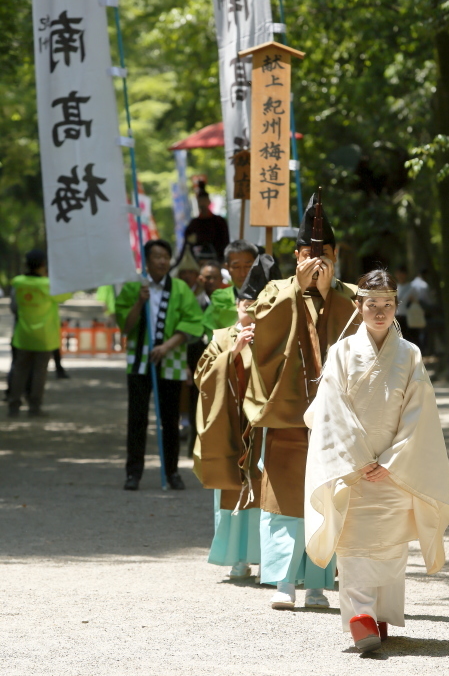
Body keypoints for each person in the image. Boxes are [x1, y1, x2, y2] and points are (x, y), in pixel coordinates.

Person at [304, 269, 449, 653]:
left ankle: (380, 614)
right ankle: (360, 617)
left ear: (396, 307)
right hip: (351, 468)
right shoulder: (340, 353)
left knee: (389, 546)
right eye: (372, 304)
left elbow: (419, 413)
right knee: (354, 545)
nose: (380, 312)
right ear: (359, 306)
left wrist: (391, 460)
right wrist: (358, 459)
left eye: (388, 305)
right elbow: (330, 410)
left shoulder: (410, 354)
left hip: (394, 468)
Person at [244, 193, 361, 609]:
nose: (318, 263)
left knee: (327, 497)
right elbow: (262, 338)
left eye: (325, 254)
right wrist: (301, 288)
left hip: (333, 420)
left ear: (336, 254)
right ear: (296, 256)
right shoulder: (278, 291)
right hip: (289, 414)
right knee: (282, 497)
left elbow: (364, 348)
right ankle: (281, 583)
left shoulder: (351, 297)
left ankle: (316, 584)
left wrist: (330, 294)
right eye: (310, 256)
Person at [194, 254, 281, 580]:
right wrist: (231, 356)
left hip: (266, 426)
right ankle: (237, 558)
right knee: (234, 491)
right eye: (245, 305)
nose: (249, 312)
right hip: (234, 427)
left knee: (270, 494)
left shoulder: (276, 337)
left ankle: (270, 562)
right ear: (238, 306)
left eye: (256, 306)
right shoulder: (221, 337)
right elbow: (202, 376)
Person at [116, 239, 204, 491]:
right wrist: (139, 302)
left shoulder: (179, 288)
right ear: (146, 260)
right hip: (139, 361)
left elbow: (193, 322)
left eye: (166, 256)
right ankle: (133, 473)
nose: (163, 261)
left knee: (170, 419)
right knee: (137, 418)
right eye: (157, 256)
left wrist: (167, 346)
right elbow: (125, 326)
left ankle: (172, 471)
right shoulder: (134, 287)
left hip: (171, 360)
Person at [8, 249, 71, 418]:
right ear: (43, 265)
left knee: (19, 370)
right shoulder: (49, 285)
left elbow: (14, 307)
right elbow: (66, 294)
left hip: (23, 335)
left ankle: (13, 405)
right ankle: (34, 407)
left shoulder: (18, 283)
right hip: (44, 338)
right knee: (39, 373)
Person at [203, 240, 258, 336]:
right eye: (236, 267)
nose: (243, 273)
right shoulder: (219, 298)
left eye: (248, 266)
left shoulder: (269, 295)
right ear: (227, 267)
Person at [184, 182, 230, 262]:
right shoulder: (194, 224)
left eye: (204, 200)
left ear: (209, 201)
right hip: (198, 261)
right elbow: (187, 245)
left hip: (217, 260)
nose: (202, 203)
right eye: (200, 201)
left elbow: (225, 242)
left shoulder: (219, 222)